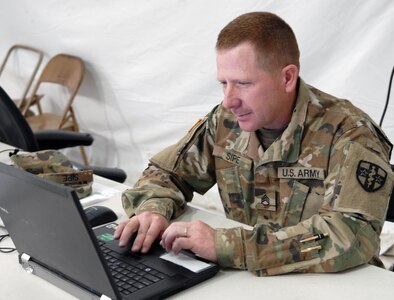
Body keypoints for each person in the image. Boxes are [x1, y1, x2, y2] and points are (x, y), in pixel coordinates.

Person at [114, 11, 394, 276]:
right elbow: (167, 174)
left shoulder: (349, 133)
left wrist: (229, 246)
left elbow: (352, 235)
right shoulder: (225, 121)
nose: (229, 100)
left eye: (244, 84)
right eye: (223, 83)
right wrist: (153, 209)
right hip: (248, 280)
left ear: (287, 77)